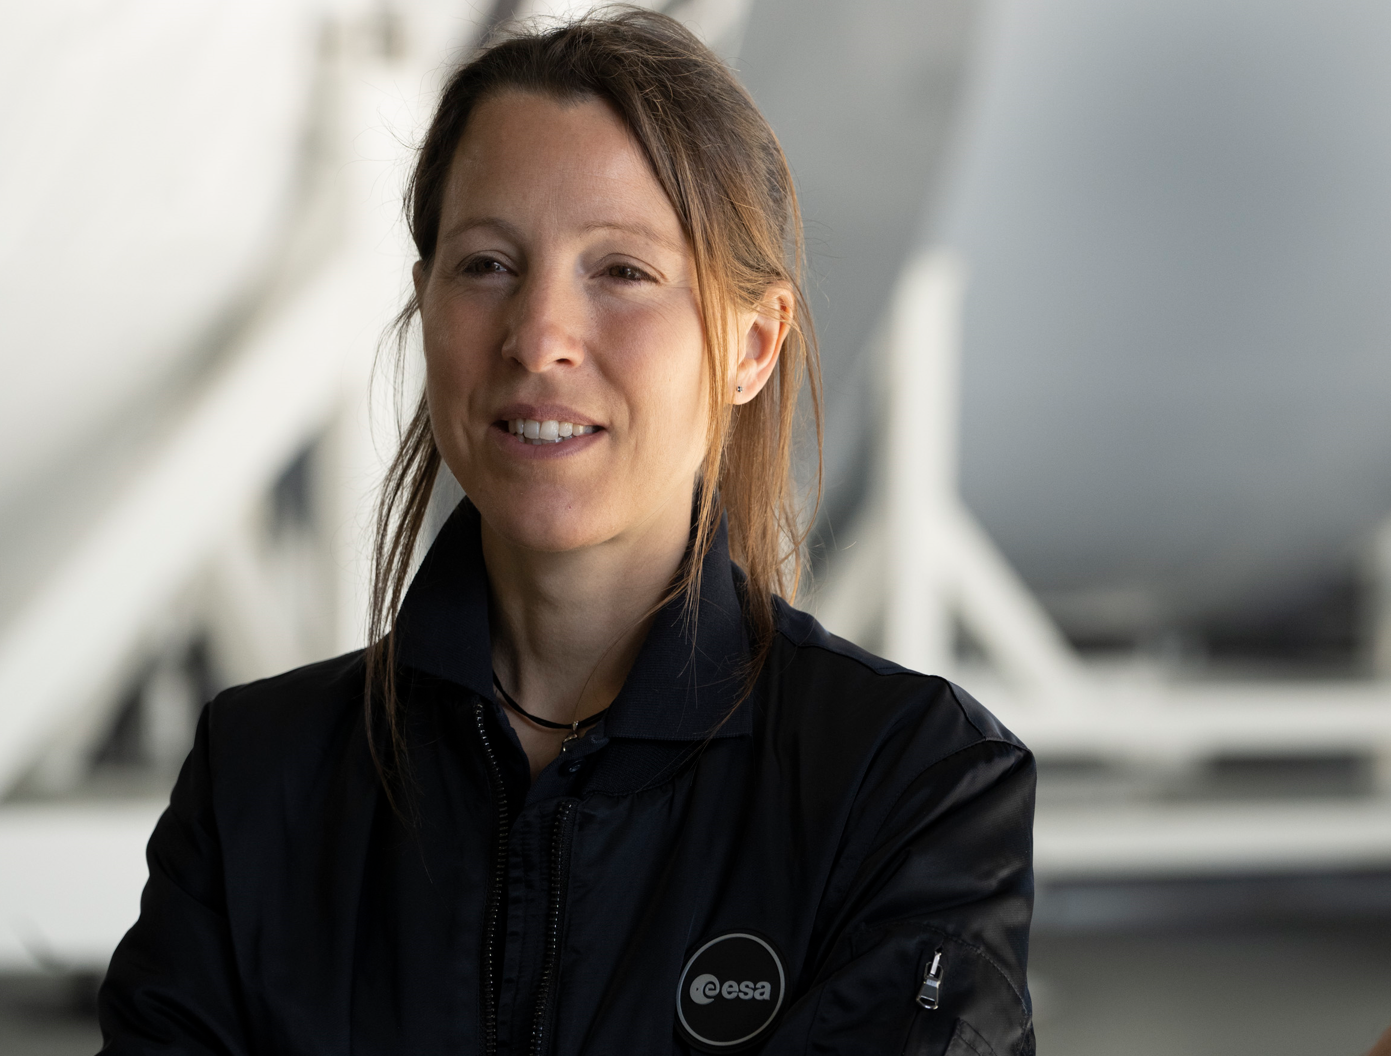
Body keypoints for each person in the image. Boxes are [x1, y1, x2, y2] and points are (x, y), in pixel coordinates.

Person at [97, 10, 1035, 1055]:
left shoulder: (908, 791)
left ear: (752, 344)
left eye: (621, 272)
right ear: (424, 305)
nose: (538, 337)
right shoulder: (257, 782)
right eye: (486, 265)